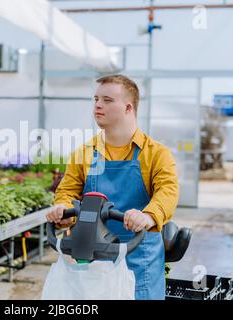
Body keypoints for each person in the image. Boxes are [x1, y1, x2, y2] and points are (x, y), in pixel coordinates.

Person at [46, 74, 179, 300]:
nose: (98, 105)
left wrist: (148, 215)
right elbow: (68, 190)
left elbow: (168, 190)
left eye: (107, 100)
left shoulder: (155, 153)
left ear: (128, 108)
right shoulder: (84, 153)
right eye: (96, 99)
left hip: (139, 258)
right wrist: (63, 208)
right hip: (93, 258)